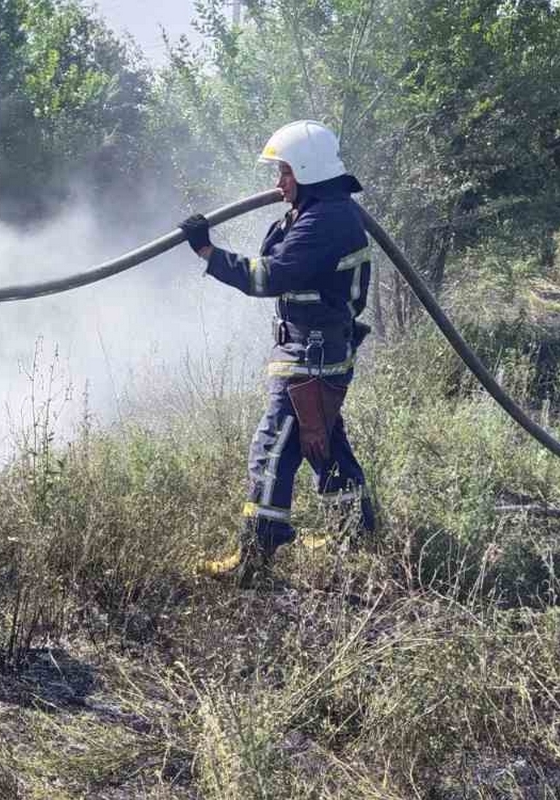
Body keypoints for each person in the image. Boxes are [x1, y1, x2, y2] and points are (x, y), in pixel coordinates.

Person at [179, 120, 376, 584]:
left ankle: (257, 552)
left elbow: (268, 277)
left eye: (284, 173)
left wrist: (208, 251)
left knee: (271, 451)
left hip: (310, 358)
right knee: (323, 443)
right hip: (316, 351)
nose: (278, 183)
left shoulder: (326, 220)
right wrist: (288, 207)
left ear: (307, 171)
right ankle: (357, 532)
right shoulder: (321, 211)